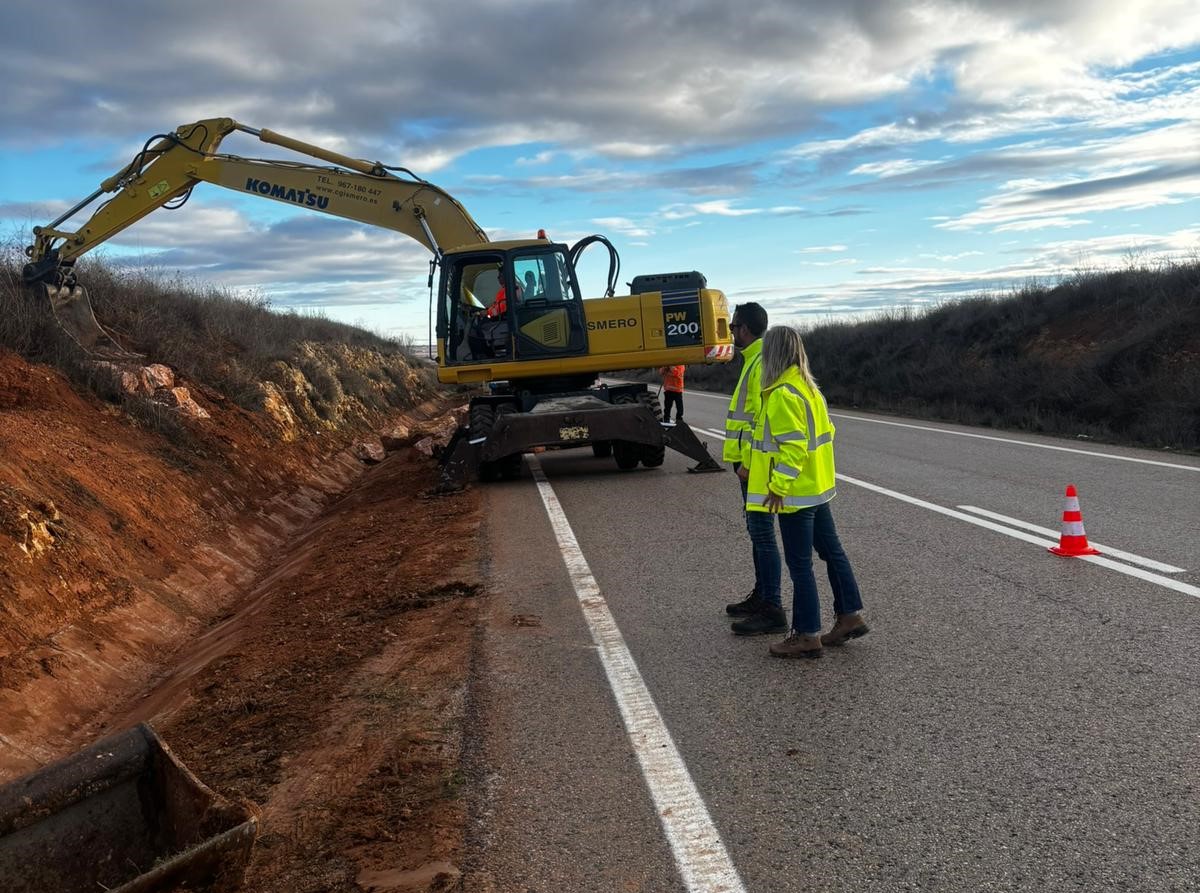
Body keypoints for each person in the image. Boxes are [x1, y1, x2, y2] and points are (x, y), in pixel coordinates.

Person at [734, 324, 868, 658]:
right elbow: (826, 434)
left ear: (772, 354)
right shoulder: (810, 389)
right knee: (832, 552)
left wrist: (778, 485)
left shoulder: (781, 394)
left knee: (800, 565)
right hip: (817, 488)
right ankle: (849, 615)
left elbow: (793, 448)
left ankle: (807, 635)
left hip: (794, 495)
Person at [722, 303, 776, 620]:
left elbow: (760, 420)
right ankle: (762, 595)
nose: (731, 332)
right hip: (749, 462)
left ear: (744, 329)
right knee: (757, 533)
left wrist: (748, 463)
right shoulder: (754, 359)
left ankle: (770, 604)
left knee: (762, 534)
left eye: (733, 327)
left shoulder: (759, 361)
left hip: (753, 465)